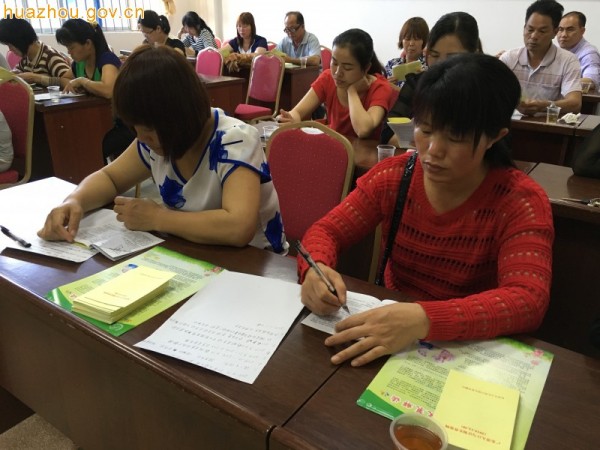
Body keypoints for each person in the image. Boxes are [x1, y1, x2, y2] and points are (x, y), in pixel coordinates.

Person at [298, 53, 554, 367]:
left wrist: (425, 319)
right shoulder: (394, 176)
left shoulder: (520, 201)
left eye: (455, 137)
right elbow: (326, 230)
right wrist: (315, 269)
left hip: (469, 351)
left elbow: (528, 300)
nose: (433, 151)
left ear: (495, 137)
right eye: (426, 129)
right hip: (389, 333)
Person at [38, 45, 287, 255]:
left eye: (147, 130)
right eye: (136, 129)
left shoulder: (234, 140)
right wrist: (75, 201)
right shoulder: (155, 142)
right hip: (193, 252)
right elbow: (110, 177)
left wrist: (158, 218)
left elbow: (238, 227)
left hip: (255, 263)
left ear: (178, 117)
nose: (141, 139)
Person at [381, 12, 480, 146]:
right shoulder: (417, 83)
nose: (441, 64)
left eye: (452, 58)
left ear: (474, 55)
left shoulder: (483, 91)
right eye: (434, 55)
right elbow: (387, 134)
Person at [278, 28, 392, 139]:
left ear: (366, 68)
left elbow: (363, 130)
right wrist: (290, 119)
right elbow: (298, 112)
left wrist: (352, 92)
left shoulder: (379, 88)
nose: (337, 73)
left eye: (347, 68)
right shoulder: (328, 78)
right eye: (335, 63)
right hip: (334, 146)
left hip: (366, 150)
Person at [500, 0, 581, 115]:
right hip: (511, 123)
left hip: (547, 124)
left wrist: (545, 106)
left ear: (555, 32)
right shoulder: (509, 58)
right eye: (530, 29)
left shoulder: (568, 60)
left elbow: (575, 103)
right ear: (524, 28)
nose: (533, 36)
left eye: (542, 31)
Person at [56, 19, 121, 99]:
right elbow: (64, 78)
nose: (69, 52)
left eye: (71, 48)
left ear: (88, 43)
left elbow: (109, 91)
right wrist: (73, 85)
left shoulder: (107, 60)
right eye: (67, 48)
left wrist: (82, 81)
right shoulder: (79, 64)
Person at [0, 17, 73, 88]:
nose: (10, 49)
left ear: (19, 40)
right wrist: (14, 74)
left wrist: (36, 78)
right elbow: (17, 72)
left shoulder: (50, 56)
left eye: (10, 45)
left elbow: (70, 82)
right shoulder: (26, 59)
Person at [557, 11, 600, 91]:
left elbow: (591, 81)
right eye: (560, 29)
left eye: (570, 30)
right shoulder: (555, 51)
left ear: (582, 31)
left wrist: (555, 83)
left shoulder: (589, 53)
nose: (563, 35)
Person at [384, 17, 429, 89]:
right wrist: (386, 85)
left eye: (416, 39)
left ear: (424, 41)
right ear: (402, 40)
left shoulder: (429, 66)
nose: (411, 43)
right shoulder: (391, 64)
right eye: (407, 38)